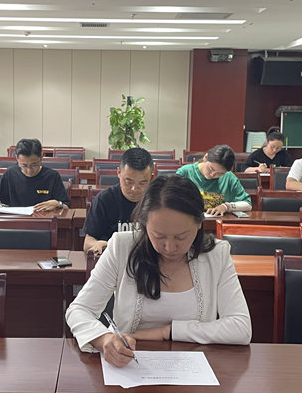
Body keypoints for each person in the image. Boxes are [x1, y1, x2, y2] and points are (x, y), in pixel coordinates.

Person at [66, 175, 251, 367]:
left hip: (194, 368)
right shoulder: (122, 247)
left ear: (199, 223)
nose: (170, 247)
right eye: (159, 236)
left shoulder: (216, 255)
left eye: (181, 237)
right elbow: (79, 310)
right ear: (144, 224)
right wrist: (104, 339)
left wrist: (168, 332)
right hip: (130, 365)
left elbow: (241, 327)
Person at [83, 147, 153, 255]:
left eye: (142, 183)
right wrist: (98, 244)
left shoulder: (157, 201)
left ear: (151, 178)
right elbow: (87, 243)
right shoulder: (104, 200)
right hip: (112, 258)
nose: (134, 189)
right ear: (119, 172)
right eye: (129, 181)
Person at [0, 138, 69, 212]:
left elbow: (67, 207)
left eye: (34, 165)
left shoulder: (52, 176)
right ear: (17, 159)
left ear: (41, 158)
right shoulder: (10, 173)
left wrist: (58, 204)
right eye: (24, 166)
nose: (29, 170)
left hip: (44, 221)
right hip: (16, 220)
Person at [175, 144, 252, 215]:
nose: (213, 174)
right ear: (205, 158)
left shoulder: (229, 178)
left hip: (216, 222)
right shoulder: (185, 173)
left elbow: (248, 204)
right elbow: (172, 199)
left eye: (220, 173)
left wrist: (226, 206)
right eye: (211, 169)